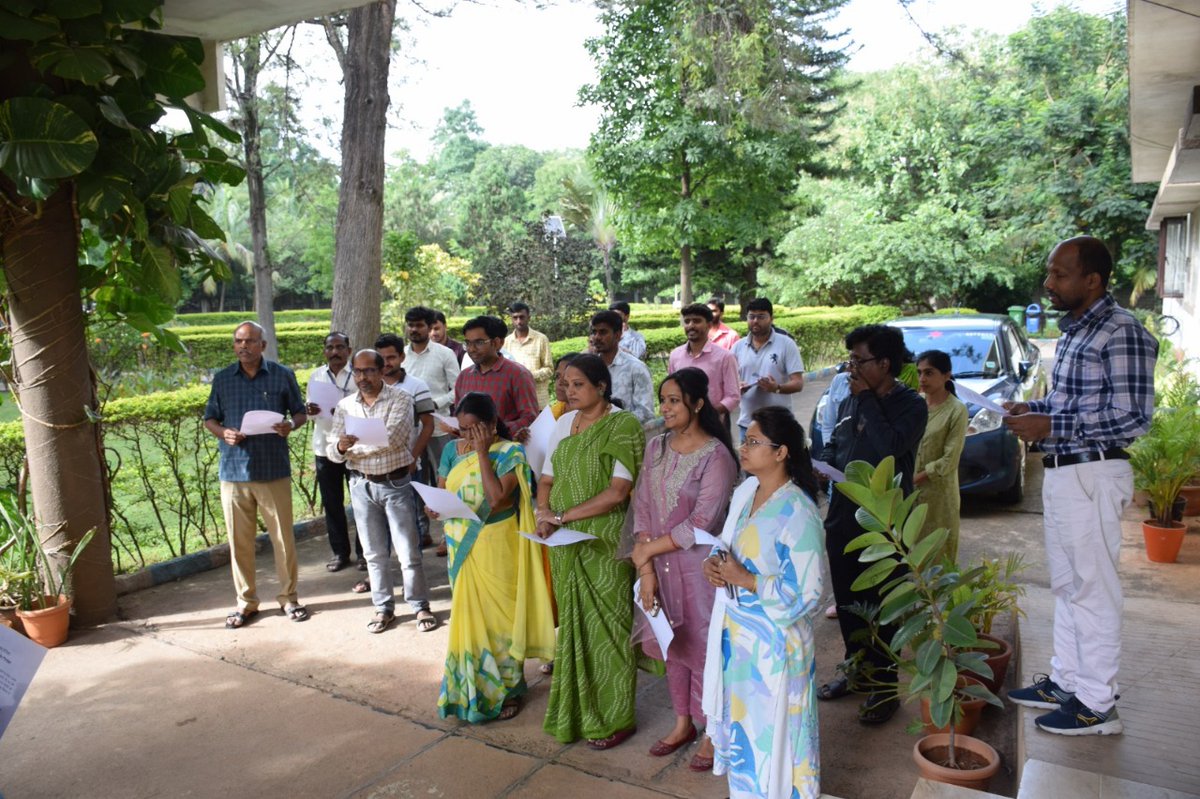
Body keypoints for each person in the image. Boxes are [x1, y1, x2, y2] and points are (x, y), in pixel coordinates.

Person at [1004, 236, 1157, 736]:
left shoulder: (1121, 331)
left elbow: (1134, 417)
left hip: (1093, 471)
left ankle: (1097, 703)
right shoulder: (1074, 332)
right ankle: (1067, 681)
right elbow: (1072, 405)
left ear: (1092, 280)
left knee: (1093, 590)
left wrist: (1053, 427)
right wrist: (1037, 411)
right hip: (1065, 473)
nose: (1049, 284)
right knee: (1069, 586)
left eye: (1060, 275)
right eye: (1050, 273)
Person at [701, 406, 824, 799]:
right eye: (745, 439)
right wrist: (715, 566)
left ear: (781, 452)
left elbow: (809, 593)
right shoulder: (745, 492)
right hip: (739, 641)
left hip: (776, 647)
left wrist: (748, 579)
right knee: (746, 731)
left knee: (777, 736)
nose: (744, 447)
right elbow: (727, 547)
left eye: (754, 442)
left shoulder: (798, 511)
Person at [817, 324, 927, 724]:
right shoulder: (850, 399)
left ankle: (884, 689)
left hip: (884, 527)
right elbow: (838, 443)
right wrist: (822, 465)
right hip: (844, 517)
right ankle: (856, 671)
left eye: (859, 361)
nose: (852, 368)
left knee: (881, 609)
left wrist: (866, 401)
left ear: (884, 363)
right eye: (851, 361)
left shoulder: (911, 405)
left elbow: (891, 449)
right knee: (848, 603)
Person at [535, 354, 646, 749]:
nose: (568, 390)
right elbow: (547, 478)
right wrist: (542, 513)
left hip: (605, 542)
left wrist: (561, 516)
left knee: (610, 629)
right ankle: (578, 712)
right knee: (575, 629)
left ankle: (617, 717)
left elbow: (617, 494)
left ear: (601, 386)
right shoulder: (565, 422)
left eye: (578, 383)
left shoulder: (624, 425)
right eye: (565, 383)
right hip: (565, 543)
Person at [629, 368, 737, 770]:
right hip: (658, 565)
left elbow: (703, 521)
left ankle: (713, 731)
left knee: (706, 648)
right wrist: (647, 568)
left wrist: (646, 553)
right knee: (671, 643)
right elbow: (642, 506)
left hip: (699, 569)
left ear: (697, 403)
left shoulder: (716, 455)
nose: (666, 407)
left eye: (675, 400)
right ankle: (682, 723)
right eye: (664, 400)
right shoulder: (656, 446)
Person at [434, 392, 556, 723]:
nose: (464, 436)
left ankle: (508, 690)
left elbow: (498, 499)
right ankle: (469, 692)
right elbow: (442, 490)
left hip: (498, 543)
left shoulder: (510, 452)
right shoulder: (450, 450)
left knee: (501, 620)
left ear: (489, 426)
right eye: (460, 429)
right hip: (461, 543)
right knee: (469, 619)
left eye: (473, 428)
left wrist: (482, 453)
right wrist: (434, 505)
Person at [203, 322, 309, 629]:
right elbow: (209, 418)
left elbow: (299, 412)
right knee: (239, 543)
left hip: (273, 469)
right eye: (238, 341)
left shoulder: (281, 375)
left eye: (250, 341)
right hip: (234, 472)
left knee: (283, 539)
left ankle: (289, 598)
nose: (243, 346)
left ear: (262, 345)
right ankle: (245, 602)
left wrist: (291, 425)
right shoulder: (223, 379)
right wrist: (223, 433)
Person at [328, 350, 437, 634]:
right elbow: (333, 450)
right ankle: (383, 608)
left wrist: (353, 449)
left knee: (407, 550)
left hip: (395, 483)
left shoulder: (401, 399)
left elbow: (392, 439)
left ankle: (419, 605)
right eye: (359, 372)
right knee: (374, 553)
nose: (363, 377)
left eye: (370, 371)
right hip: (360, 486)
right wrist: (341, 448)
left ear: (382, 371)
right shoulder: (344, 406)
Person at [404, 306, 461, 556]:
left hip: (439, 428)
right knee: (416, 482)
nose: (414, 329)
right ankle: (421, 531)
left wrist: (433, 404)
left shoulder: (444, 354)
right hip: (410, 431)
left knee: (444, 482)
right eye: (410, 324)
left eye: (419, 325)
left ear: (430, 327)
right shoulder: (401, 357)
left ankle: (448, 534)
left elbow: (457, 388)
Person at [305, 332, 363, 573]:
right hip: (325, 447)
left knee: (361, 502)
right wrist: (309, 409)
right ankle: (340, 553)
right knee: (332, 503)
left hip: (356, 447)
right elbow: (310, 413)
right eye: (330, 348)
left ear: (349, 350)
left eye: (340, 347)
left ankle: (364, 554)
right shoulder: (316, 376)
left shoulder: (358, 374)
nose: (335, 352)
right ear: (324, 351)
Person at [377, 332, 437, 557]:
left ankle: (414, 568)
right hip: (378, 466)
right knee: (381, 522)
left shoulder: (417, 386)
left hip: (409, 464)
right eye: (381, 358)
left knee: (409, 520)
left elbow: (428, 426)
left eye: (391, 357)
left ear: (402, 357)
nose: (386, 363)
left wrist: (413, 457)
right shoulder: (372, 387)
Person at [913, 350, 969, 563]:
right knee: (912, 559)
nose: (922, 379)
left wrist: (915, 478)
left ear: (947, 375)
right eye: (919, 373)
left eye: (929, 373)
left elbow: (949, 461)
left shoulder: (957, 410)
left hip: (940, 498)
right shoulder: (916, 405)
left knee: (939, 560)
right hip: (910, 496)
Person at [454, 315, 540, 442]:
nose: (471, 349)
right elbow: (459, 415)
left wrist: (496, 430)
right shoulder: (464, 376)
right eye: (467, 343)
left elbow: (530, 416)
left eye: (479, 342)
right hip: (470, 451)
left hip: (505, 452)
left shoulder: (517, 374)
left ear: (497, 343)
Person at [733, 298, 805, 438]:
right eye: (751, 316)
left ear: (771, 318)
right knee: (749, 460)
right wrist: (737, 386)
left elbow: (798, 383)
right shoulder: (738, 347)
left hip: (779, 424)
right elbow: (729, 381)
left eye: (761, 317)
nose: (755, 321)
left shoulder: (786, 344)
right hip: (747, 424)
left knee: (781, 459)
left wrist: (777, 388)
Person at [667, 303, 741, 424]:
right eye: (687, 321)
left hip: (714, 427)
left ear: (709, 325)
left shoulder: (725, 357)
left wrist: (709, 414)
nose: (691, 325)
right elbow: (671, 390)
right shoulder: (675, 355)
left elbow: (733, 397)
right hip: (682, 426)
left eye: (696, 321)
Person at [589, 309, 655, 424]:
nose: (597, 337)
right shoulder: (588, 367)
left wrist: (610, 422)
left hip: (625, 437)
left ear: (618, 335)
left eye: (603, 332)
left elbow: (645, 413)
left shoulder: (636, 368)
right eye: (594, 332)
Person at [504, 302, 555, 407]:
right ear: (511, 319)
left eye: (522, 317)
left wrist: (529, 376)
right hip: (515, 402)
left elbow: (549, 369)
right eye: (515, 318)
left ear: (529, 318)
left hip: (538, 400)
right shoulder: (506, 342)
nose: (519, 321)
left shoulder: (541, 339)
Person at [549, 353, 580, 420]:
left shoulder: (590, 417)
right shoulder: (553, 413)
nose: (559, 383)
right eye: (557, 376)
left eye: (566, 378)